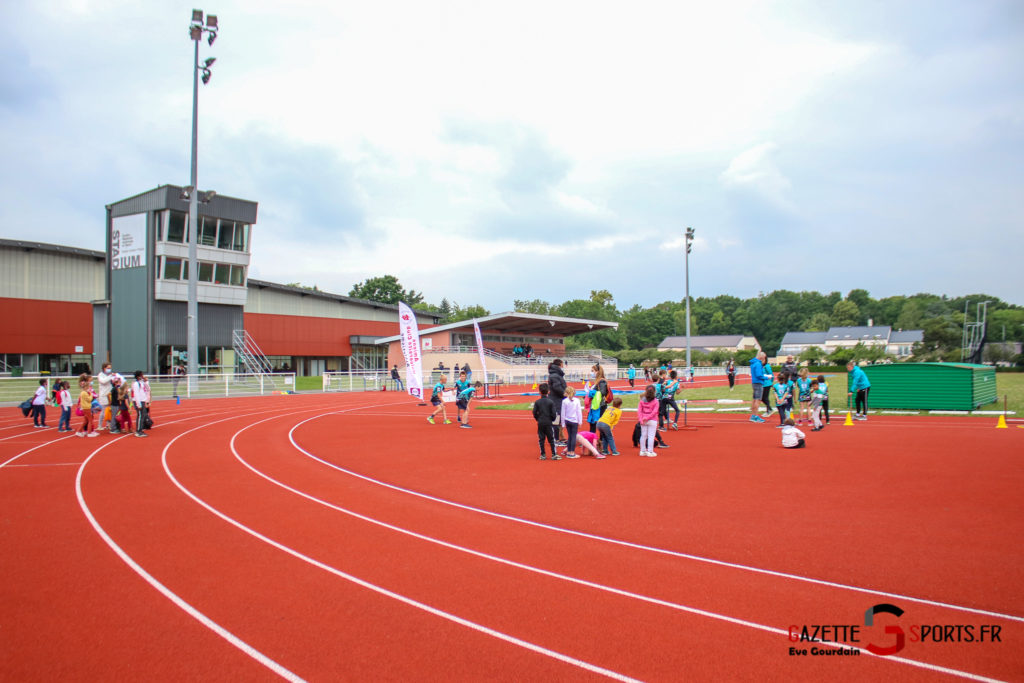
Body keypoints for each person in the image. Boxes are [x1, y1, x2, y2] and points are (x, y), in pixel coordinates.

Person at [532, 382, 559, 460]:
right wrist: (552, 419)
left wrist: (538, 418)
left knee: (541, 439)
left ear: (539, 392)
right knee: (551, 438)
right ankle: (553, 454)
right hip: (548, 422)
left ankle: (543, 454)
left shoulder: (537, 402)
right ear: (548, 391)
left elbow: (534, 412)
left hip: (540, 422)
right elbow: (554, 414)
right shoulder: (551, 402)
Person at [637, 385, 660, 457]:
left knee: (643, 435)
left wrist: (641, 419)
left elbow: (639, 411)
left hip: (643, 420)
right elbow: (655, 412)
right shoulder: (656, 401)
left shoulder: (642, 401)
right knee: (651, 436)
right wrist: (648, 417)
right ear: (654, 391)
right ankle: (650, 451)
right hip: (652, 420)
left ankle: (642, 451)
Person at [547, 359, 567, 442]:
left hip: (558, 399)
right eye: (562, 365)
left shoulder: (556, 375)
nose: (563, 367)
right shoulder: (555, 375)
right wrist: (565, 394)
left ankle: (560, 436)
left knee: (559, 419)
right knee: (556, 419)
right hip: (556, 400)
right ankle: (556, 438)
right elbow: (557, 387)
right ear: (560, 365)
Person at [560, 386, 583, 459]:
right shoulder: (576, 400)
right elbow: (578, 411)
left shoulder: (564, 401)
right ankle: (571, 452)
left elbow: (563, 413)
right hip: (574, 421)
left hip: (567, 421)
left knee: (570, 436)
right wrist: (580, 421)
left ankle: (569, 451)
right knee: (573, 437)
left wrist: (563, 423)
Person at [131, 370, 152, 437]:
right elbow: (136, 394)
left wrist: (146, 382)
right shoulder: (136, 384)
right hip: (139, 401)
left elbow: (148, 389)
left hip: (142, 401)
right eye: (141, 375)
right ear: (138, 376)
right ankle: (138, 431)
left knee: (143, 416)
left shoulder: (142, 383)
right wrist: (138, 404)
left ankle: (140, 429)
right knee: (140, 416)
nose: (143, 376)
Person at [748, 352, 767, 423]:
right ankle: (755, 416)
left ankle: (753, 415)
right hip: (758, 382)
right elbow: (759, 375)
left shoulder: (753, 363)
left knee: (755, 399)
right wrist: (766, 377)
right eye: (764, 358)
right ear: (761, 357)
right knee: (758, 400)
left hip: (754, 382)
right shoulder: (758, 364)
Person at [96, 363, 115, 431]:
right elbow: (103, 381)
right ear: (104, 368)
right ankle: (99, 425)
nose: (109, 369)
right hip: (103, 395)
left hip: (110, 395)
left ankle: (108, 424)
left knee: (109, 410)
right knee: (103, 411)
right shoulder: (100, 375)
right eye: (108, 368)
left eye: (110, 368)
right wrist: (110, 376)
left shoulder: (109, 375)